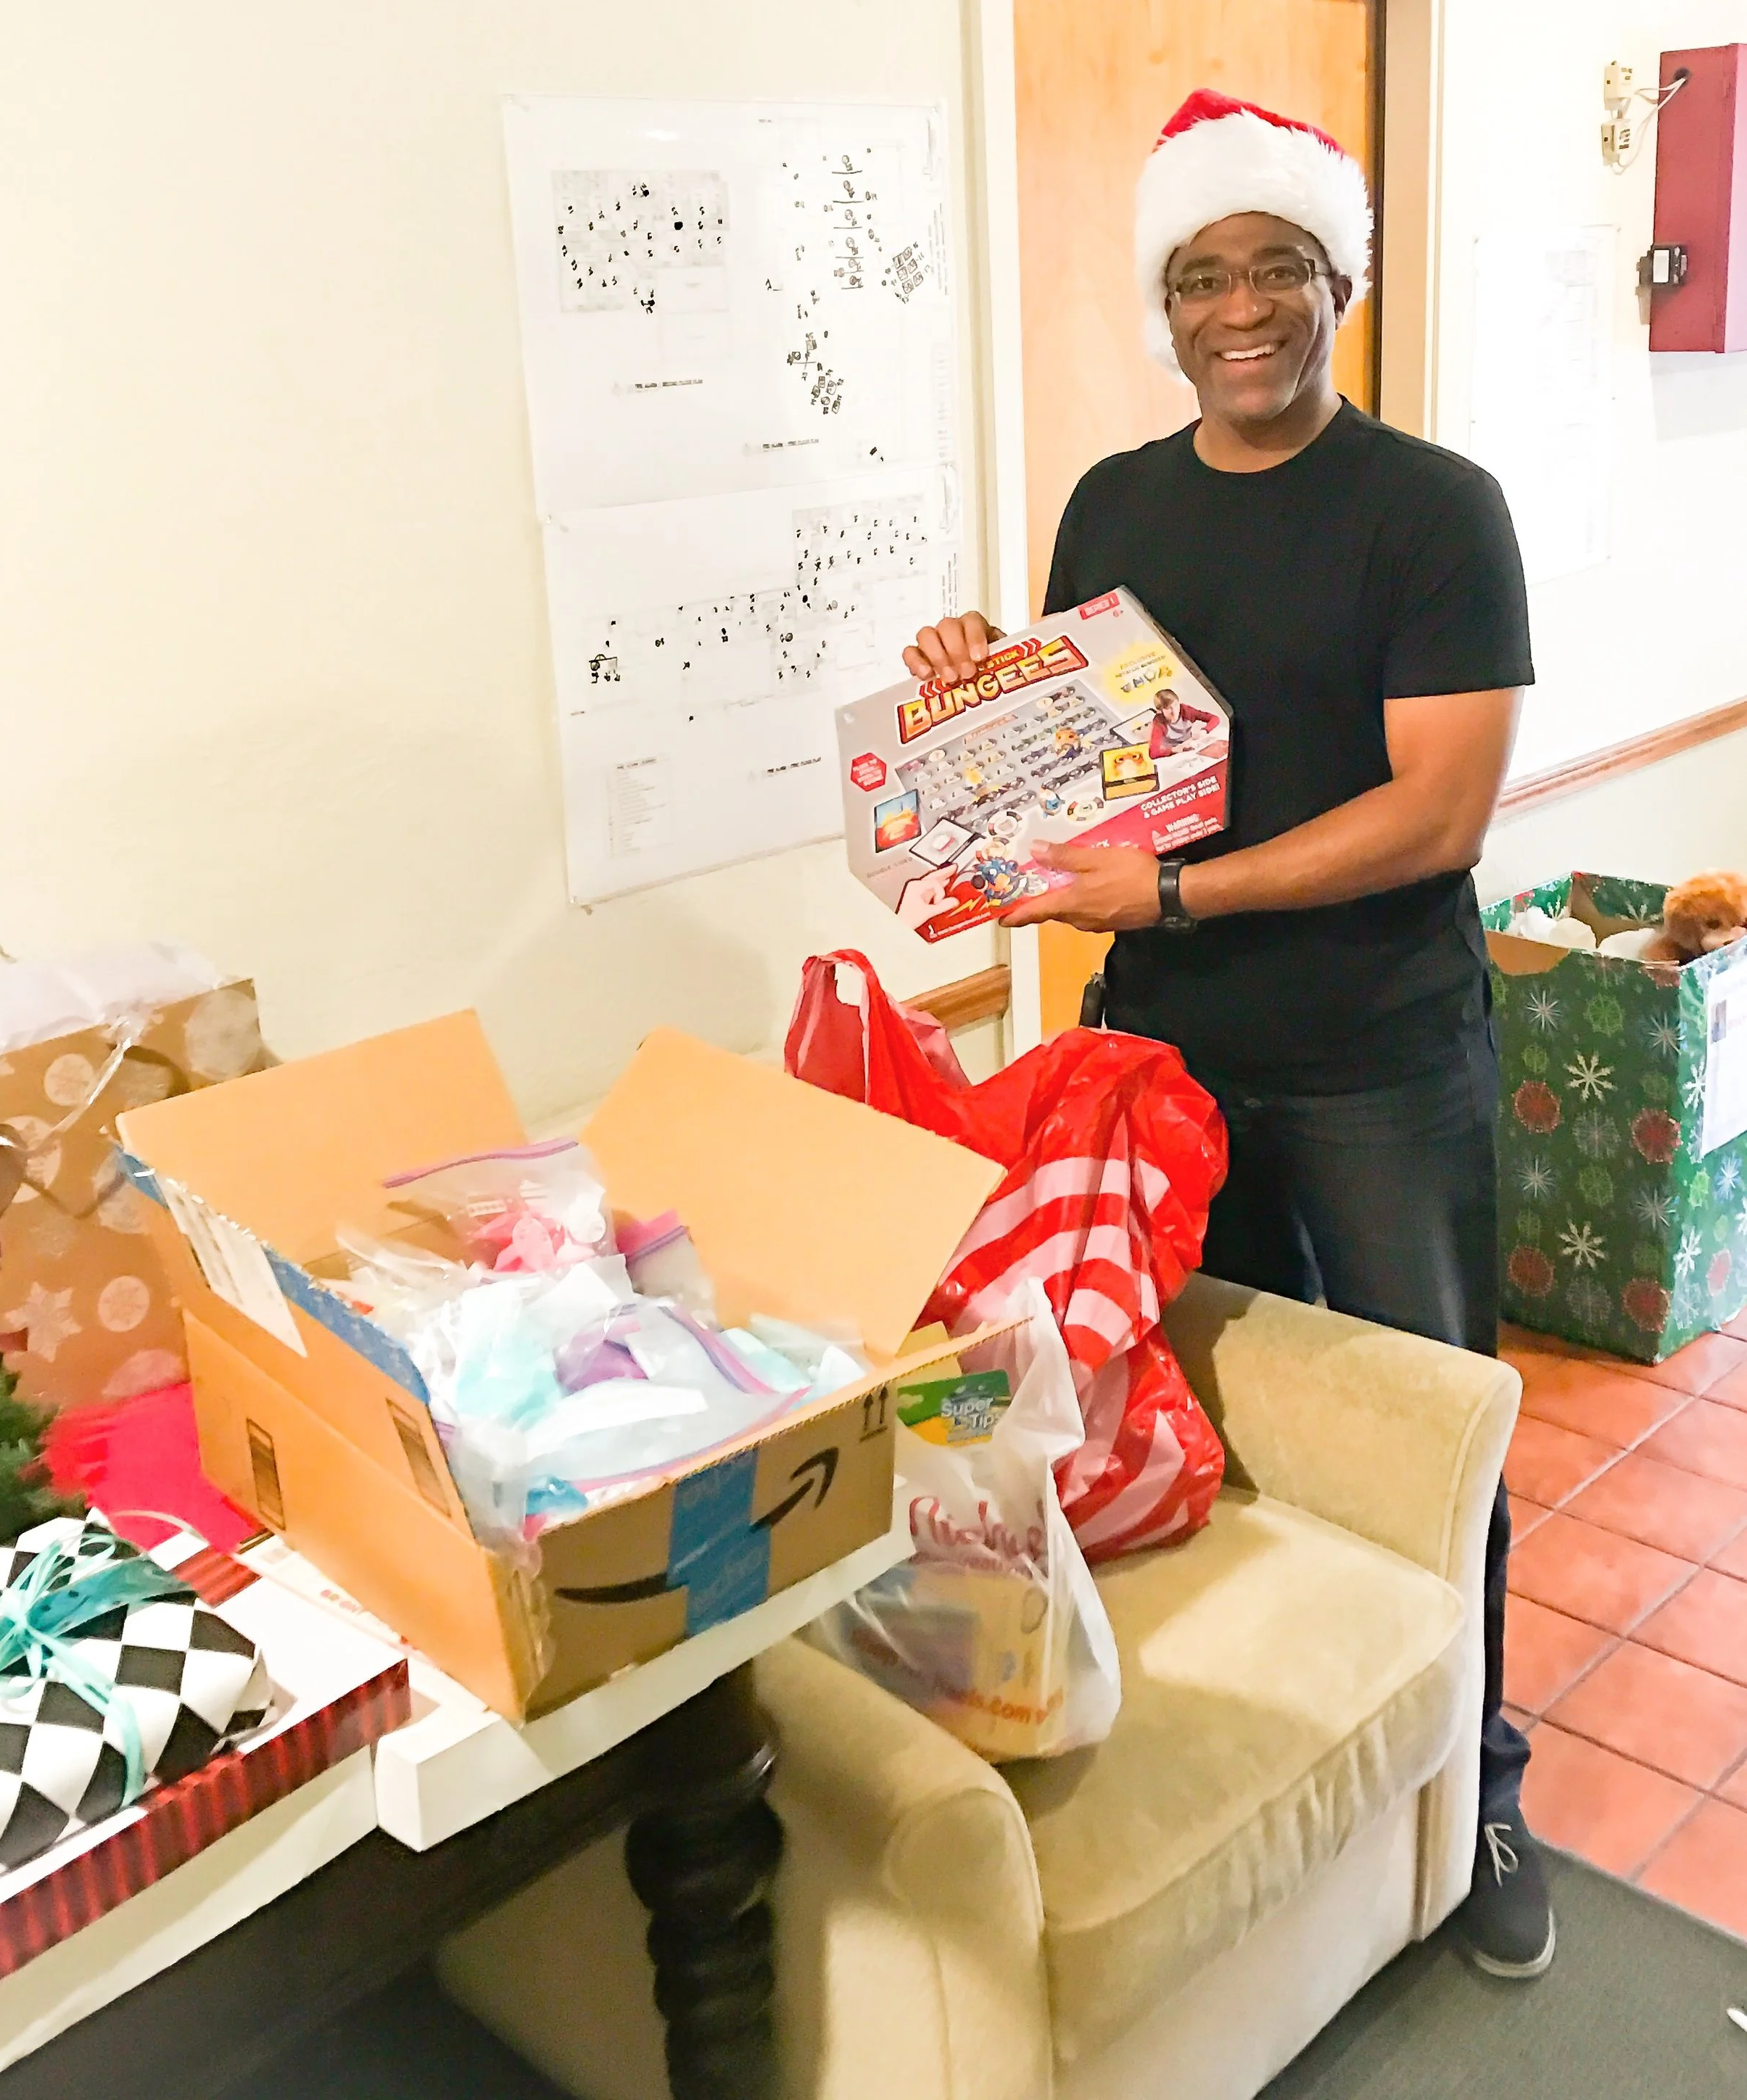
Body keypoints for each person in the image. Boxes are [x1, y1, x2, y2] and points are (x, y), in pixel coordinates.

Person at [901, 89, 1548, 1978]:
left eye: (1275, 266)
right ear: (1164, 305)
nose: (1239, 306)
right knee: (1193, 1418)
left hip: (1373, 1060)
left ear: (1334, 281)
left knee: (1428, 1428)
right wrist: (968, 693)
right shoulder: (1114, 501)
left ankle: (1479, 1778)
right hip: (1161, 1055)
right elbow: (1063, 759)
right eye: (1201, 276)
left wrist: (1178, 896)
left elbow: (1434, 815)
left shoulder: (1433, 512)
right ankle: (1279, 1752)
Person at [1145, 685, 1223, 759]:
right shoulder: (1159, 723)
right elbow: (1153, 753)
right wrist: (1174, 750)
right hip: (1172, 754)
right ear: (1160, 711)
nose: (1174, 711)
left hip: (1190, 746)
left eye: (1176, 705)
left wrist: (1205, 731)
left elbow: (1215, 718)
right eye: (1168, 708)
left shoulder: (1186, 711)